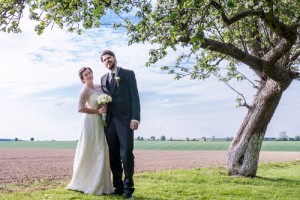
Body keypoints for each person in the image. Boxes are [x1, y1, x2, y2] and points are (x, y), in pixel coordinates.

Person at [100, 50, 141, 199]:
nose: (107, 61)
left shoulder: (128, 74)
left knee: (126, 153)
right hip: (109, 122)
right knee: (113, 154)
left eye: (109, 58)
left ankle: (129, 188)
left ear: (115, 58)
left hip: (125, 120)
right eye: (104, 60)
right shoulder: (103, 78)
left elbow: (135, 96)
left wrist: (135, 118)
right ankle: (118, 187)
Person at [67, 67, 114, 195]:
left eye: (89, 73)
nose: (88, 75)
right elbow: (80, 108)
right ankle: (85, 181)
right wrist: (96, 111)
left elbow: (104, 102)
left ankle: (102, 182)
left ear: (92, 73)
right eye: (85, 75)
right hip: (89, 122)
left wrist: (104, 107)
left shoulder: (99, 87)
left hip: (100, 122)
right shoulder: (84, 91)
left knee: (101, 148)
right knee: (90, 148)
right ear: (82, 79)